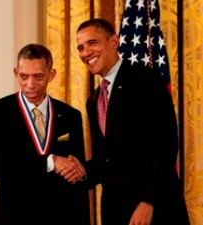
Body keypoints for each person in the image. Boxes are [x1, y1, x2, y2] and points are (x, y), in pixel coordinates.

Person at [71, 18, 190, 225]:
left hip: (155, 210)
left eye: (92, 43)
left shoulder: (144, 80)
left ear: (114, 42)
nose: (85, 52)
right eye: (80, 47)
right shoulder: (94, 100)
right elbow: (105, 160)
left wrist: (148, 201)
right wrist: (80, 172)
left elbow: (165, 144)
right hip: (116, 212)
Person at [0, 43, 90, 225]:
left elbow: (76, 174)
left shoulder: (70, 115)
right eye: (24, 77)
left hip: (59, 215)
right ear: (16, 73)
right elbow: (1, 167)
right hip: (12, 215)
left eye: (38, 77)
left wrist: (79, 172)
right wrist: (51, 161)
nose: (30, 84)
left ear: (51, 75)